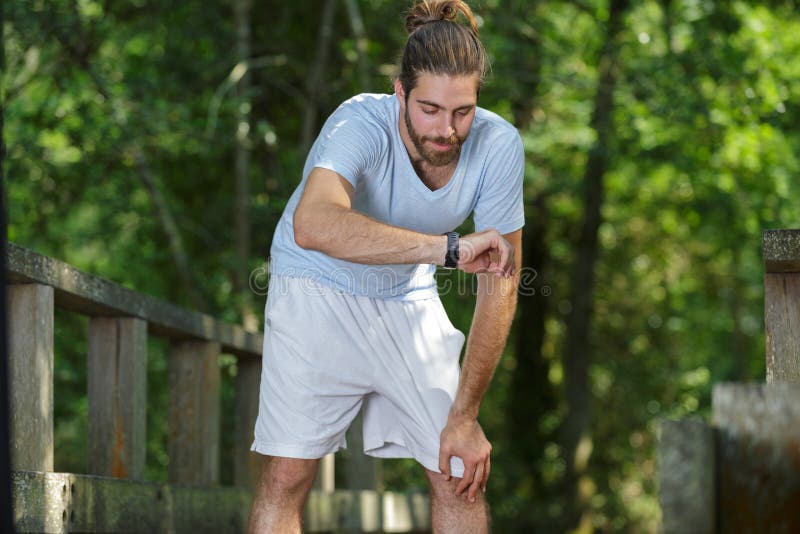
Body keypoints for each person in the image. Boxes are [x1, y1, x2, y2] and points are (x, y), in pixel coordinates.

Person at [247, 1, 524, 532]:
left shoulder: (499, 146)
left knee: (459, 468)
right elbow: (315, 224)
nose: (447, 130)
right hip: (315, 283)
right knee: (287, 474)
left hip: (405, 297)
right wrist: (447, 249)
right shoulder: (358, 121)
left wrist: (465, 416)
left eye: (462, 111)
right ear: (400, 91)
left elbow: (501, 286)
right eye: (429, 109)